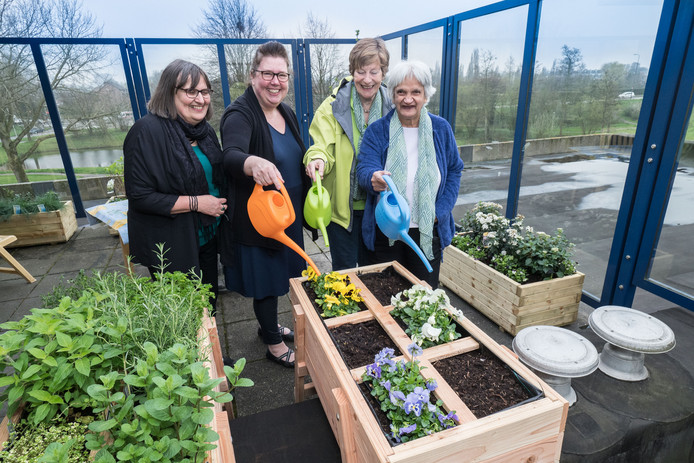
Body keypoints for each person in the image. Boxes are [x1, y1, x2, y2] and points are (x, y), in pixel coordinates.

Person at [220, 41, 309, 368]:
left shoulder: (285, 110)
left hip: (289, 214)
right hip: (262, 220)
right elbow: (229, 155)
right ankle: (272, 343)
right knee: (268, 282)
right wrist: (251, 162)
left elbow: (297, 152)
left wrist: (310, 164)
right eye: (268, 74)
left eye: (282, 75)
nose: (276, 82)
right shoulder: (240, 113)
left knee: (285, 274)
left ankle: (269, 327)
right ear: (252, 75)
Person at [124, 59, 227, 311]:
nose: (200, 99)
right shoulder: (145, 132)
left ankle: (212, 351)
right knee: (183, 312)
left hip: (207, 235)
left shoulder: (204, 132)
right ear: (170, 93)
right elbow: (140, 197)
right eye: (190, 91)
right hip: (172, 243)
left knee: (208, 303)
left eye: (204, 92)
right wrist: (197, 203)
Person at [356, 60, 464, 288]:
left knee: (424, 297)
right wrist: (373, 178)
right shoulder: (377, 131)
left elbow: (455, 169)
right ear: (392, 95)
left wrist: (440, 211)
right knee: (386, 296)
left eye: (416, 92)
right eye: (401, 92)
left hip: (427, 230)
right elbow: (364, 169)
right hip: (386, 232)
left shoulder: (441, 129)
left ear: (426, 95)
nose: (408, 99)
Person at [303, 38, 391, 271]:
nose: (367, 79)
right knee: (344, 274)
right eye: (361, 71)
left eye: (374, 71)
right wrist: (317, 158)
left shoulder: (393, 106)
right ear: (352, 72)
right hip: (342, 211)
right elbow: (321, 144)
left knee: (377, 273)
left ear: (383, 73)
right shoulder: (332, 107)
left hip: (382, 209)